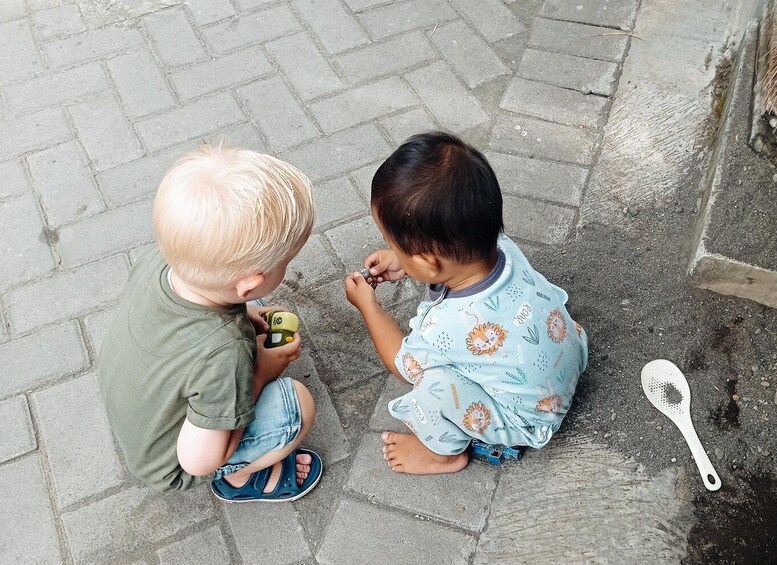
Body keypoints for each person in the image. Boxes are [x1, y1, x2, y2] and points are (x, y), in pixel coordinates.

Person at [344, 132, 588, 475]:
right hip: (567, 358)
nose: (391, 251)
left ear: (429, 264)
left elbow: (402, 365)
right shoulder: (502, 247)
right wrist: (405, 260)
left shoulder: (443, 326)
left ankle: (442, 455)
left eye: (394, 245)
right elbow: (441, 259)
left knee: (433, 386)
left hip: (526, 418)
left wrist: (370, 308)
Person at [98, 143, 322, 501]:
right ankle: (240, 480)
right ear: (249, 282)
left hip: (141, 401)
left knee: (245, 312)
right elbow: (197, 461)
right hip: (172, 462)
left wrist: (245, 315)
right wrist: (261, 374)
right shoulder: (223, 355)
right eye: (286, 264)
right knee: (298, 405)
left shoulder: (162, 263)